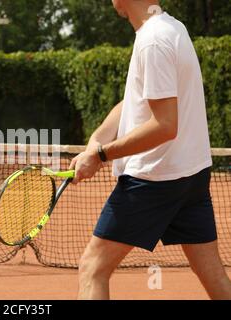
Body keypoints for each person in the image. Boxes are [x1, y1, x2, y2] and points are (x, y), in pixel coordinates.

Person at [70, 0, 231, 300]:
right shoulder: (170, 29)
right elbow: (136, 101)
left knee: (93, 268)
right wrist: (97, 139)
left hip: (154, 179)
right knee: (214, 275)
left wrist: (102, 155)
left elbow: (165, 125)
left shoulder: (152, 41)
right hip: (191, 177)